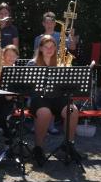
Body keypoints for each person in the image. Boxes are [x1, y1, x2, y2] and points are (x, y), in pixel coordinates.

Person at [28, 35, 80, 166]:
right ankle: (38, 148)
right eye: (46, 47)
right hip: (39, 98)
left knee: (72, 110)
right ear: (40, 48)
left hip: (58, 97)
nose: (50, 49)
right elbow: (29, 88)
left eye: (52, 47)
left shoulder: (61, 63)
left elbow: (68, 85)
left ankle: (69, 144)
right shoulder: (32, 63)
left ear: (56, 48)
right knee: (44, 113)